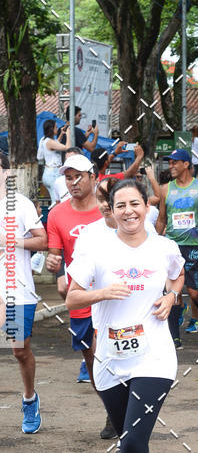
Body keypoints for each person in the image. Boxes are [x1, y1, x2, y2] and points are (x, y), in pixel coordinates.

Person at [66, 179, 185, 453]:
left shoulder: (165, 247)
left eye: (136, 203)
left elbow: (177, 274)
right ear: (111, 210)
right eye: (121, 205)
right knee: (132, 442)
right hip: (110, 361)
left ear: (147, 207)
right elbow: (71, 299)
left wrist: (171, 295)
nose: (129, 211)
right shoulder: (96, 249)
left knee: (132, 442)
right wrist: (102, 292)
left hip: (155, 357)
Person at [45, 154, 115, 434]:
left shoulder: (110, 209)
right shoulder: (57, 214)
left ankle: (125, 415)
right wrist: (57, 270)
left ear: (93, 176)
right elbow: (56, 257)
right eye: (68, 177)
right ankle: (112, 411)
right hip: (81, 299)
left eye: (79, 176)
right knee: (94, 361)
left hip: (113, 296)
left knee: (116, 356)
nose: (73, 182)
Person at [0, 154, 48, 433]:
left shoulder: (20, 205)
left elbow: (42, 240)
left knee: (19, 350)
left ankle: (30, 398)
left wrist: (11, 240)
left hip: (16, 289)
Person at [156, 149, 198, 344]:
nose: (171, 166)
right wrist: (154, 242)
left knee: (195, 292)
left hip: (194, 246)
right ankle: (174, 337)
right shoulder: (166, 189)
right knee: (173, 290)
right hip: (172, 245)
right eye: (170, 163)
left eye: (175, 162)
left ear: (186, 164)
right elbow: (162, 219)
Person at [37, 119, 72, 199]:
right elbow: (67, 147)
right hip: (54, 174)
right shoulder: (50, 142)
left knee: (56, 199)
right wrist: (68, 134)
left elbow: (55, 144)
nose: (57, 129)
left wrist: (62, 134)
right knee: (57, 200)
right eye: (56, 127)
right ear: (51, 129)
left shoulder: (43, 140)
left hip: (47, 172)